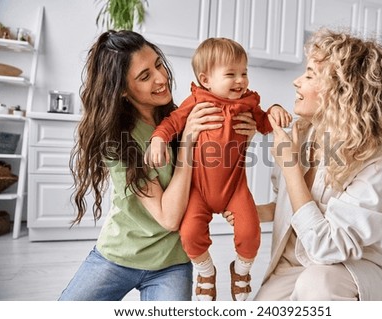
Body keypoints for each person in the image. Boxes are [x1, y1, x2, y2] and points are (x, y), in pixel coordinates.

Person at [58, 30, 255, 301]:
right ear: (123, 90)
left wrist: (245, 133)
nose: (162, 78)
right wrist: (186, 143)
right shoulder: (118, 140)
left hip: (171, 263)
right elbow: (169, 217)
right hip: (120, 255)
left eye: (158, 65)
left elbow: (216, 178)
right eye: (145, 76)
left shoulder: (182, 115)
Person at [225, 28, 382, 300]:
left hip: (343, 269)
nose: (296, 82)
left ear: (343, 91)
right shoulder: (303, 134)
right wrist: (253, 211)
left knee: (317, 284)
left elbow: (327, 248)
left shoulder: (379, 163)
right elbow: (292, 206)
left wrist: (290, 167)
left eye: (310, 74)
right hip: (292, 265)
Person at [145, 37, 292, 301]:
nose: (241, 80)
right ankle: (205, 271)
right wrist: (157, 139)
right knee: (189, 234)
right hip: (197, 190)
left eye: (244, 73)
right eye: (231, 74)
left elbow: (265, 123)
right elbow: (172, 121)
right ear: (206, 79)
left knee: (251, 233)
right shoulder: (196, 102)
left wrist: (276, 110)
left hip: (234, 188)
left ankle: (241, 270)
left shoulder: (248, 103)